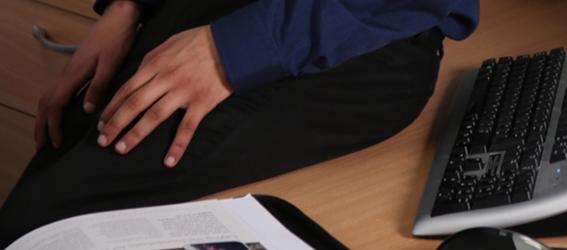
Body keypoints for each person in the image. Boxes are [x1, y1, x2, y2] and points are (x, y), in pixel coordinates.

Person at [0, 0, 478, 246]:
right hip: (206, 21)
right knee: (33, 208)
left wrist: (234, 50)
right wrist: (130, 7)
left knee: (44, 227)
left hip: (337, 32)